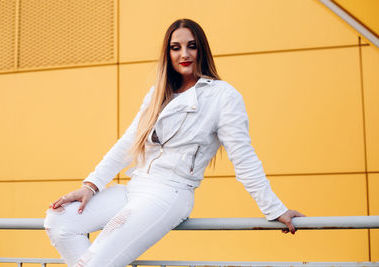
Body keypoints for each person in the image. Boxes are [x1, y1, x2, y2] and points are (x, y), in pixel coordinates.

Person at [44, 18, 304, 267]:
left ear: (202, 49)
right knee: (58, 220)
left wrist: (274, 209)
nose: (184, 54)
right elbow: (127, 144)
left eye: (192, 45)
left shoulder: (222, 96)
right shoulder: (158, 94)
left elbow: (244, 158)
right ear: (167, 54)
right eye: (175, 47)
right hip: (136, 188)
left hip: (169, 193)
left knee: (95, 261)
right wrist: (90, 186)